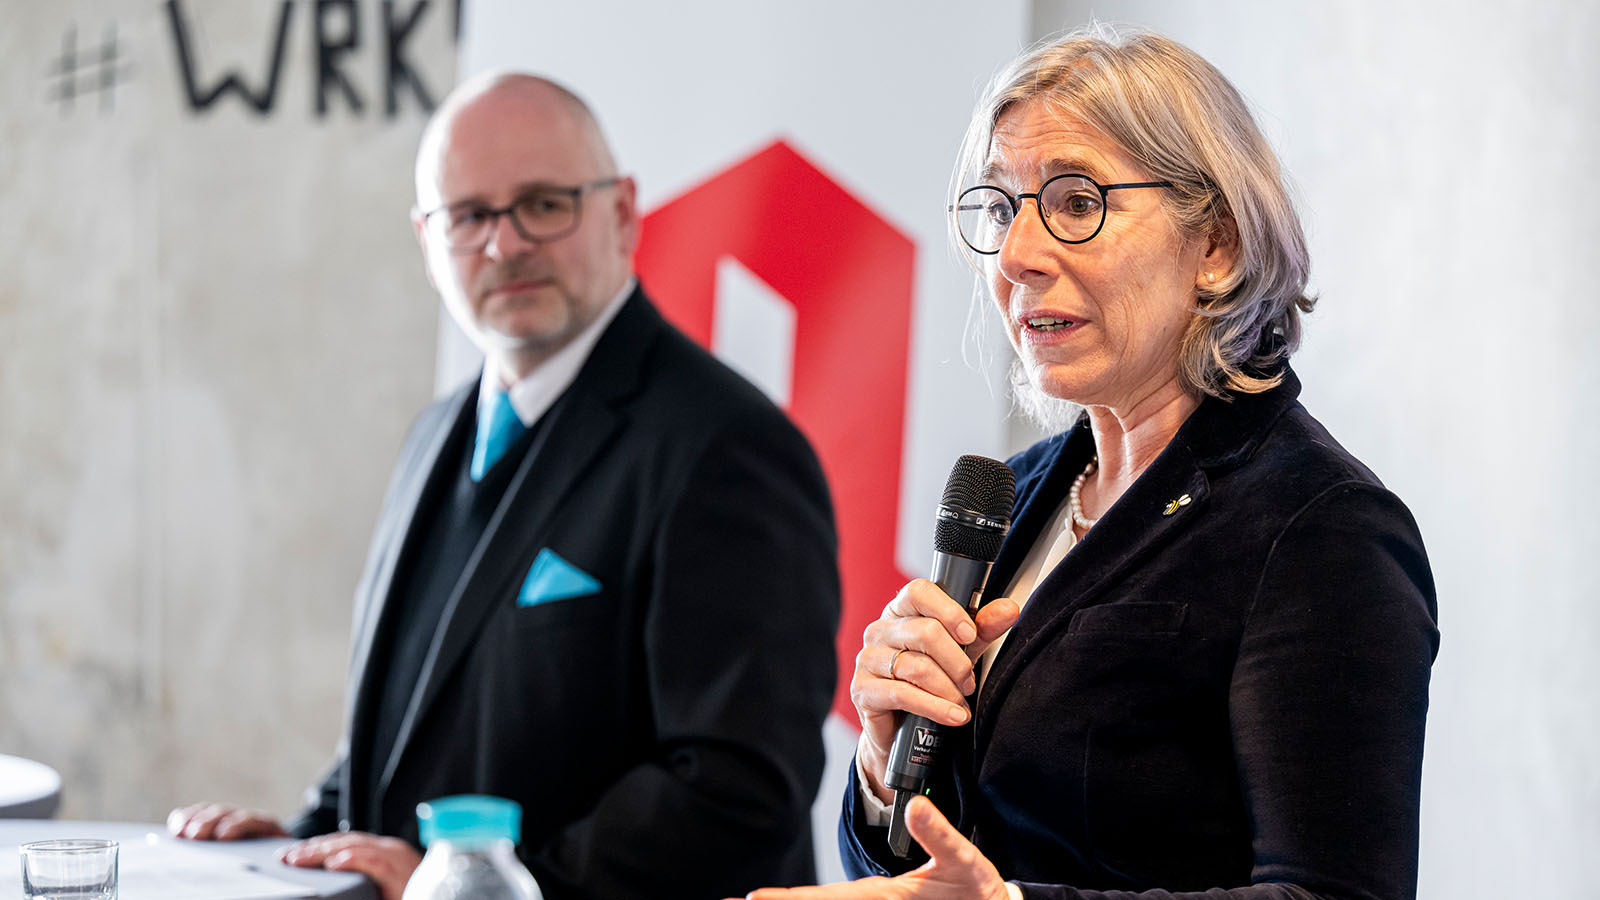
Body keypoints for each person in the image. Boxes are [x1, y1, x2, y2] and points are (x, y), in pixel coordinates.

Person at [742, 24, 1439, 900]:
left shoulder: (1319, 526)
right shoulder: (1022, 491)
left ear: (1215, 247)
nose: (1020, 256)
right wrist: (888, 768)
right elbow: (925, 872)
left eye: (1077, 203)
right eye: (1002, 209)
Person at [167, 72, 840, 900]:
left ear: (623, 213)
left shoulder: (730, 446)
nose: (505, 243)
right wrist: (301, 847)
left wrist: (464, 890)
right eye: (470, 215)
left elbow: (738, 791)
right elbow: (412, 721)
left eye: (544, 204)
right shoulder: (434, 434)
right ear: (427, 240)